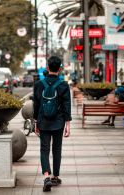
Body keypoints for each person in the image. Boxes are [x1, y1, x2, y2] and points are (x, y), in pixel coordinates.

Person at [33, 56, 72, 192]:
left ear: (48, 68)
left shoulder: (39, 84)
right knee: (57, 149)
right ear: (60, 69)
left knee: (44, 149)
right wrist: (68, 124)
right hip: (58, 122)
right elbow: (67, 105)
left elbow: (36, 105)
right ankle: (55, 176)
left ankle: (46, 177)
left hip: (43, 121)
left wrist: (36, 122)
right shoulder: (63, 85)